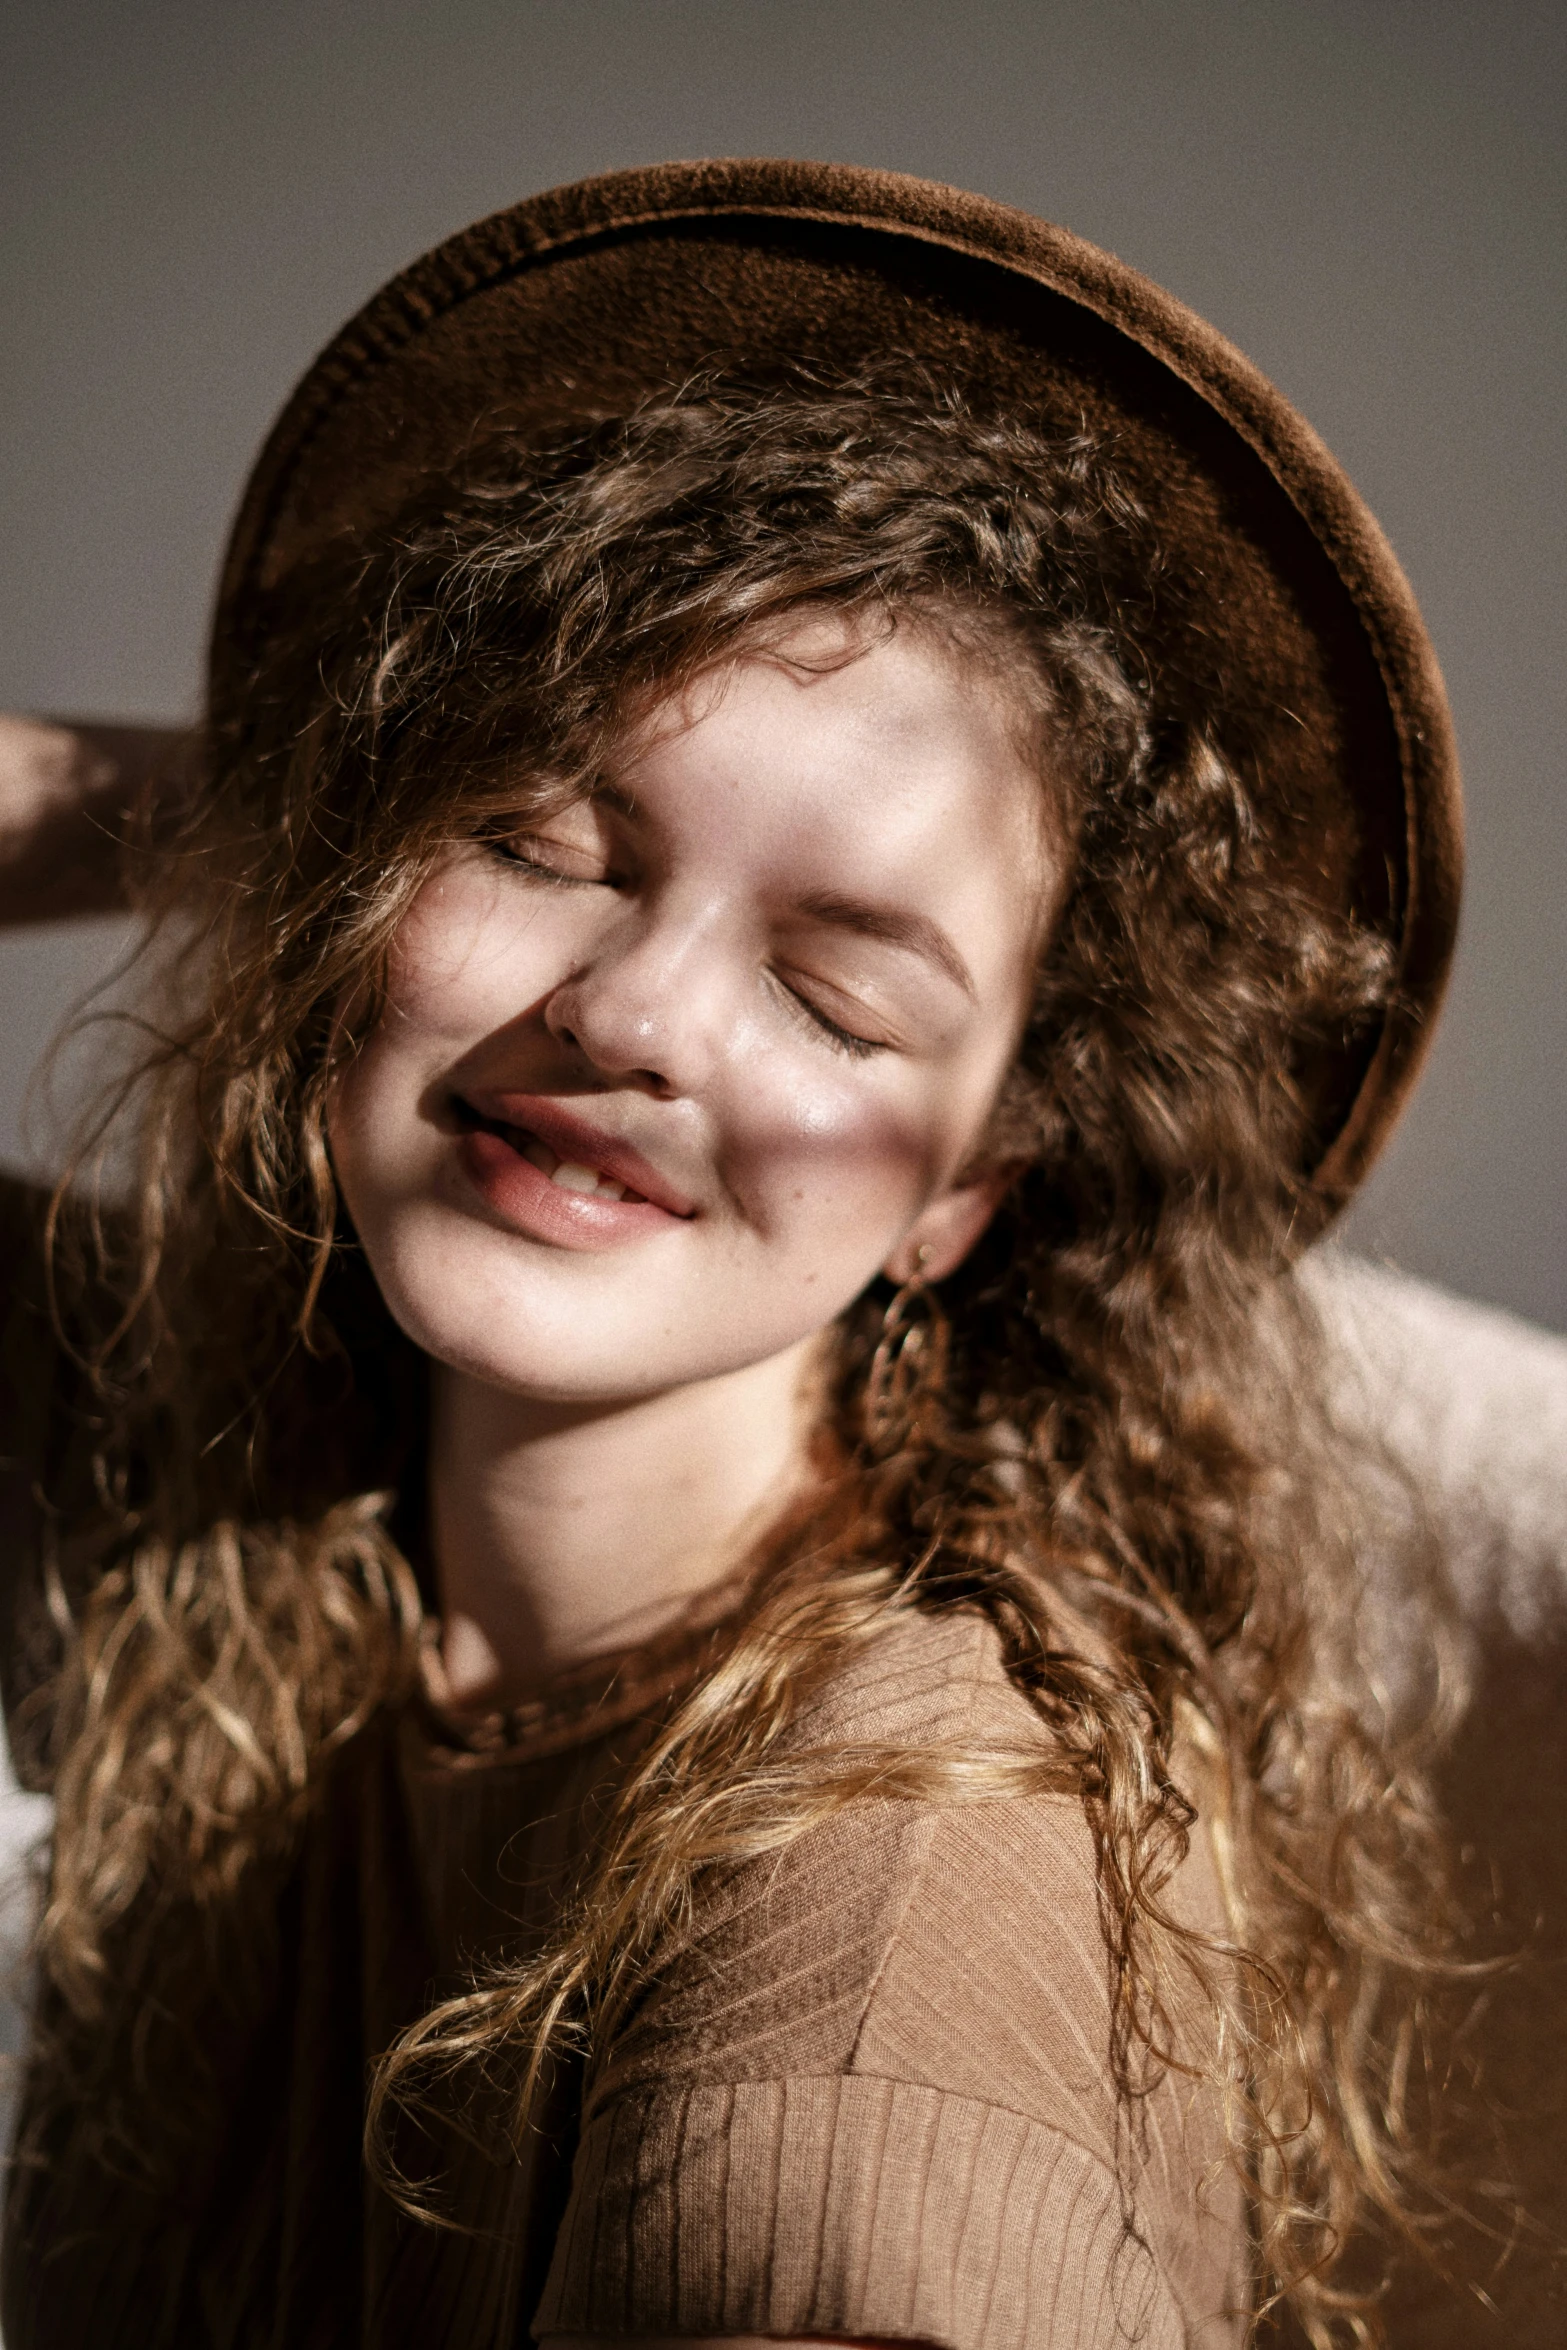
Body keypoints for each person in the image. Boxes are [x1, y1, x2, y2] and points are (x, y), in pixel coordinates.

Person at [0, 160, 1487, 2348]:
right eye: (538, 842)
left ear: (968, 1190)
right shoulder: (232, 1486)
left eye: (839, 993)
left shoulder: (904, 1866)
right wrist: (311, 793)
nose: (630, 1015)